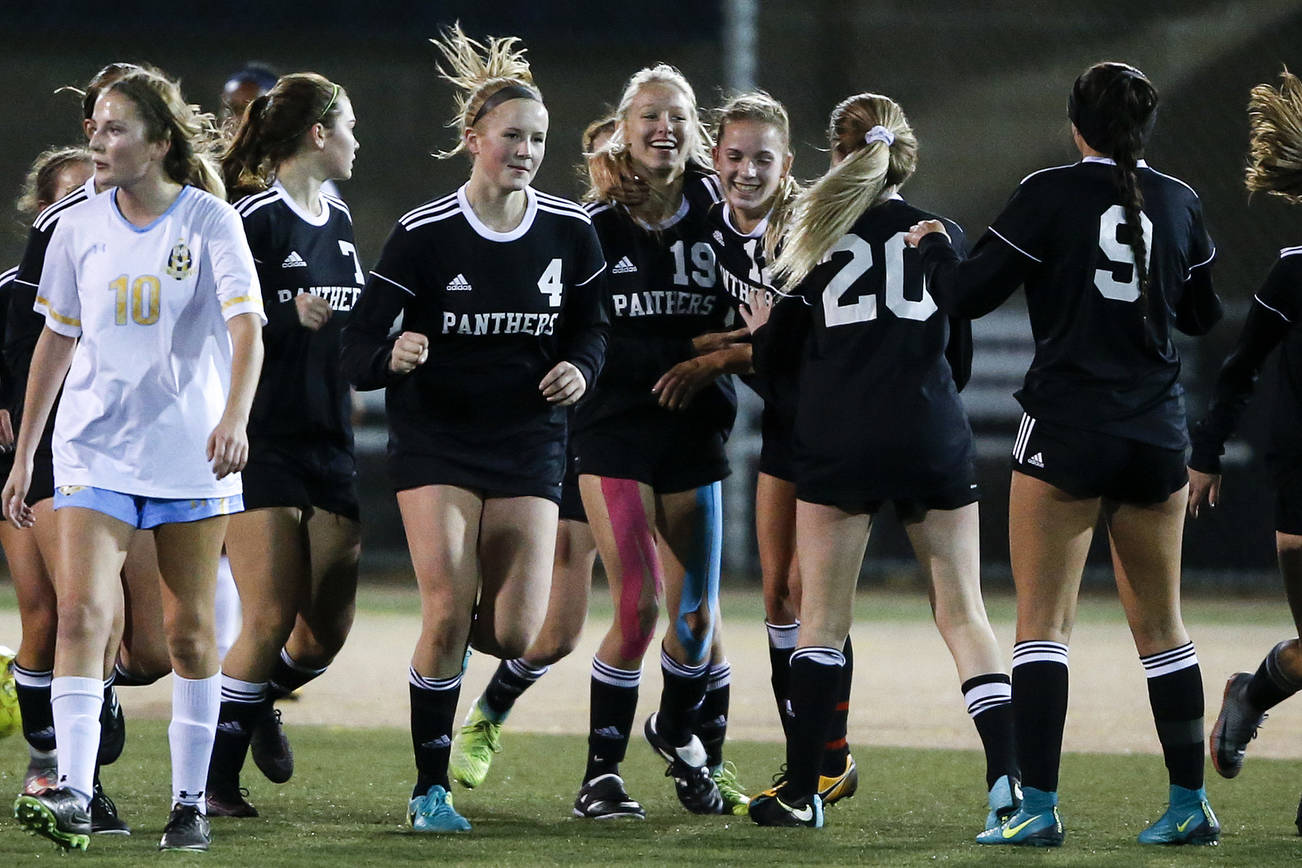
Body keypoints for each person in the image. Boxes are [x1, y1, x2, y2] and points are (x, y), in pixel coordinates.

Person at [906, 61, 1223, 846]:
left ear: (1075, 123)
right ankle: (1190, 805)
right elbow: (1203, 312)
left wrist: (935, 248)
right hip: (1156, 433)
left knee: (1043, 628)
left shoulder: (1049, 192)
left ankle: (1038, 807)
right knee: (1164, 629)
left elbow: (970, 292)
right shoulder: (1180, 200)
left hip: (1068, 428)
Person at [340, 25, 607, 833]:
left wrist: (582, 370)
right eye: (512, 137)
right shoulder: (424, 233)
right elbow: (358, 351)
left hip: (529, 442)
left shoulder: (571, 229)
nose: (525, 150)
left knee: (516, 630)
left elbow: (593, 329)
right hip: (437, 443)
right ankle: (430, 789)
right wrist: (397, 350)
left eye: (537, 139)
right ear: (473, 141)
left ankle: (473, 701)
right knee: (449, 610)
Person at [739, 92, 1016, 831]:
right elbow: (956, 355)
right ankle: (1008, 785)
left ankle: (803, 792)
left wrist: (764, 334)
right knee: (965, 615)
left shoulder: (811, 232)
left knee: (822, 624)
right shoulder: (939, 230)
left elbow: (780, 365)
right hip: (931, 432)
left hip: (841, 441)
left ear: (836, 152)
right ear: (902, 155)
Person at [7, 67, 265, 853]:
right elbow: (56, 339)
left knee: (188, 635)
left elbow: (249, 328)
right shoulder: (73, 225)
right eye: (95, 126)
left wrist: (232, 418)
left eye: (115, 128)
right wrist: (26, 455)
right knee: (83, 615)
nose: (98, 139)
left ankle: (189, 802)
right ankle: (77, 792)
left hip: (189, 456)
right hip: (91, 451)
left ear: (158, 142)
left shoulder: (210, 221)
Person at [567, 63, 753, 820]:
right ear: (622, 126)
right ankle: (599, 778)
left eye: (677, 115)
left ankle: (682, 744)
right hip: (613, 431)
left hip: (693, 430)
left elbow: (770, 311)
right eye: (648, 114)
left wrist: (723, 355)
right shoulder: (592, 225)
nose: (663, 127)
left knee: (698, 622)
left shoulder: (725, 217)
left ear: (696, 133)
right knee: (639, 604)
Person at [5, 63, 176, 840]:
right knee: (62, 613)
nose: (89, 204)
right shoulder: (36, 267)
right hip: (46, 455)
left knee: (152, 645)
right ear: (46, 214)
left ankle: (86, 702)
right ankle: (62, 770)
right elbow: (34, 350)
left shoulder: (162, 240)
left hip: (127, 450)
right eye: (70, 196)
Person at [203, 72, 362, 818]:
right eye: (351, 127)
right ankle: (213, 780)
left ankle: (254, 696)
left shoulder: (340, 216)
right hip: (261, 440)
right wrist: (276, 310)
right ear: (319, 135)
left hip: (331, 438)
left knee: (324, 633)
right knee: (267, 616)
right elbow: (208, 317)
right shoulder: (254, 218)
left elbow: (349, 323)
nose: (359, 141)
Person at [703, 91, 862, 810]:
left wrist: (716, 356)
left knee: (810, 595)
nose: (747, 171)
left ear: (788, 165)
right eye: (735, 156)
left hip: (827, 425)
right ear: (716, 158)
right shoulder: (706, 223)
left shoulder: (806, 230)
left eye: (763, 158)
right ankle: (812, 756)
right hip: (782, 424)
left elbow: (797, 344)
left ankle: (829, 757)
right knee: (775, 594)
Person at [446, 115, 614, 792]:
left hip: (664, 438)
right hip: (576, 438)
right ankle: (486, 711)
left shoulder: (693, 223)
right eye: (605, 155)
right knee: (556, 631)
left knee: (681, 613)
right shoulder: (580, 224)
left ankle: (688, 757)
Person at [1192, 68, 1302, 835]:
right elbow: (1239, 367)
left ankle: (1253, 692)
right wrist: (1206, 453)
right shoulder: (1294, 271)